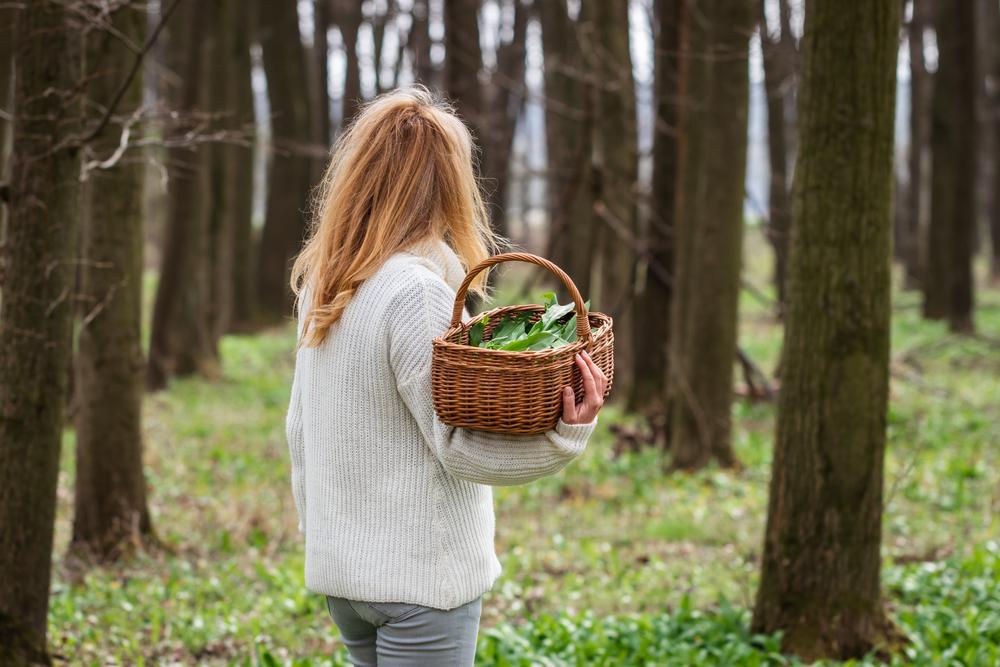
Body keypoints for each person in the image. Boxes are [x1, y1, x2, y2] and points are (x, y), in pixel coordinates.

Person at [285, 87, 607, 667]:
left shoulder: (324, 285)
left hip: (345, 581)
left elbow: (298, 428)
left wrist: (326, 538)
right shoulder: (416, 294)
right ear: (448, 183)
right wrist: (566, 432)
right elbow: (458, 447)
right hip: (419, 584)